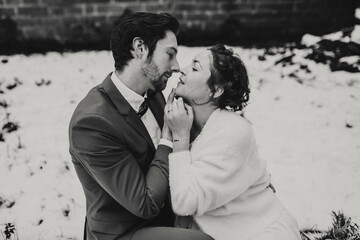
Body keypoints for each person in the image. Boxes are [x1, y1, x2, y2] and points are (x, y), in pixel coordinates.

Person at [68, 12, 213, 240]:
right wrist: (168, 138)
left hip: (167, 212)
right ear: (140, 48)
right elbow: (145, 204)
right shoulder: (92, 123)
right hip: (125, 231)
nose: (176, 66)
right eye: (170, 54)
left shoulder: (153, 92)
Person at [165, 44, 302, 240]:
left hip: (261, 232)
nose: (183, 70)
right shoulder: (183, 118)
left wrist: (179, 137)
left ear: (216, 90)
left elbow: (184, 202)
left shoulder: (232, 131)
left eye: (195, 68)